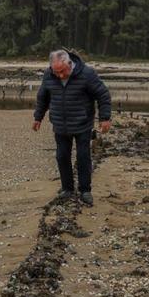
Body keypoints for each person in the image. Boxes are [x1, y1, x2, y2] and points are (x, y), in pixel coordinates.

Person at [32, 49, 112, 206]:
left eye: (62, 71)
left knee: (83, 157)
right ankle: (67, 188)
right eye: (56, 72)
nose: (60, 75)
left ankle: (85, 190)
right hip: (60, 124)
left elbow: (103, 94)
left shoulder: (87, 74)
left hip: (82, 123)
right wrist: (38, 117)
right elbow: (43, 97)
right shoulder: (49, 75)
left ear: (69, 63)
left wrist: (105, 118)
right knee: (62, 156)